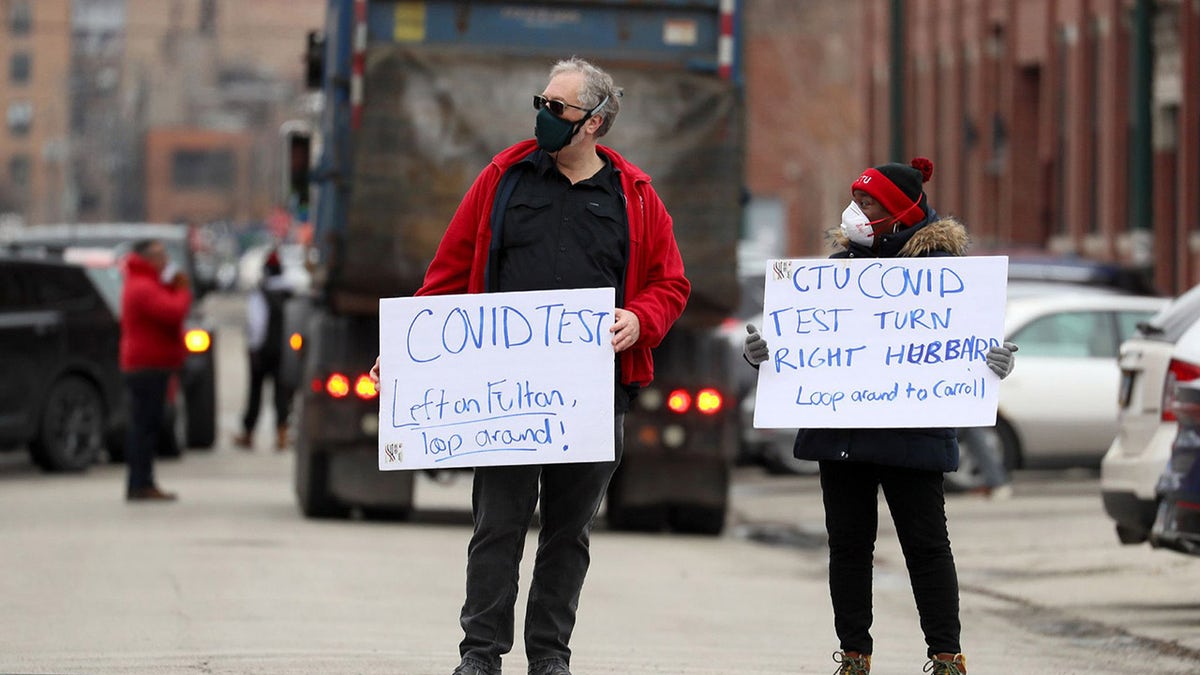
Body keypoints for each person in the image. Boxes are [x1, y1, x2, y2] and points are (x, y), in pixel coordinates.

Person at [368, 57, 690, 675]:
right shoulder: (503, 178)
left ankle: (549, 657)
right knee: (498, 525)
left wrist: (640, 321)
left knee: (568, 533)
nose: (544, 117)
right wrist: (405, 349)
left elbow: (670, 284)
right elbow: (448, 272)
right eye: (540, 103)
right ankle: (480, 654)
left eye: (558, 108)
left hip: (592, 397)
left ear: (594, 122)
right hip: (503, 392)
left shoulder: (636, 197)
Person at [742, 158, 1018, 675]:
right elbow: (805, 344)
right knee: (848, 546)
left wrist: (992, 364)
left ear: (898, 211)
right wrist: (763, 354)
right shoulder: (834, 273)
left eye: (868, 203)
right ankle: (853, 653)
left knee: (926, 545)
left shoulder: (947, 276)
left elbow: (964, 346)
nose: (856, 211)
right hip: (841, 432)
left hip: (911, 432)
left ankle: (946, 654)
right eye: (856, 200)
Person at [120, 238, 192, 502]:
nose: (166, 262)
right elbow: (173, 312)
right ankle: (140, 483)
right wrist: (182, 291)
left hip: (153, 364)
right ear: (147, 258)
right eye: (161, 255)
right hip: (145, 366)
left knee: (147, 425)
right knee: (144, 427)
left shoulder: (148, 283)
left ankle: (143, 481)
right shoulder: (143, 286)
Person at [234, 249, 293, 451]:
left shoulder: (261, 294)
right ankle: (282, 434)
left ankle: (249, 434)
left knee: (255, 393)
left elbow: (257, 323)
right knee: (281, 393)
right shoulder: (289, 293)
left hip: (262, 351)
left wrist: (253, 348)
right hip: (284, 351)